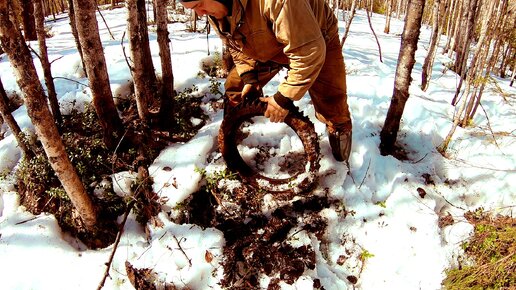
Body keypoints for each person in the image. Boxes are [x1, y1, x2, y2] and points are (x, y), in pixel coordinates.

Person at [180, 0, 352, 162]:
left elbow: (308, 52)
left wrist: (282, 99)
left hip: (315, 39)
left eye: (199, 4)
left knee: (332, 102)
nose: (200, 13)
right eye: (193, 8)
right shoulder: (216, 11)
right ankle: (233, 141)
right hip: (265, 44)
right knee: (236, 86)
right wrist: (249, 78)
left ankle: (340, 143)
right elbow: (235, 46)